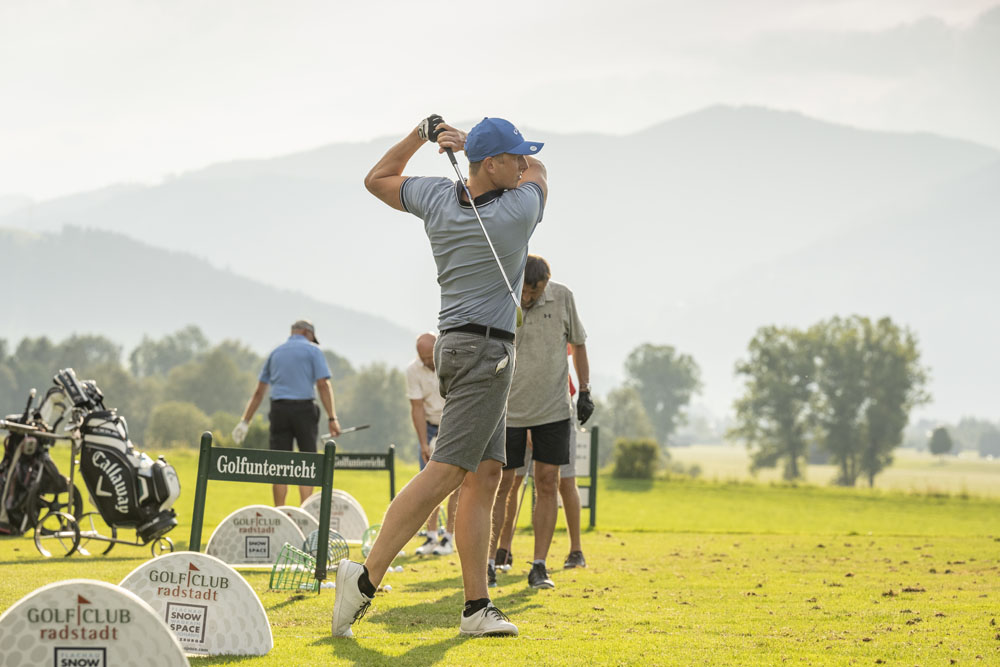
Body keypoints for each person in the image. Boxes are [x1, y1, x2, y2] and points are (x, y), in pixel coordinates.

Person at [331, 115, 546, 638]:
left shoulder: (436, 197)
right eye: (512, 155)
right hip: (486, 353)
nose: (522, 161)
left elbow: (378, 179)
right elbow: (540, 171)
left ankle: (477, 607)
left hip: (455, 347)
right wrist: (472, 143)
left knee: (485, 474)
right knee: (448, 470)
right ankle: (365, 576)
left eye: (520, 154)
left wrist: (424, 135)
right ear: (492, 164)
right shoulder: (518, 211)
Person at [488, 255, 593, 590]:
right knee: (502, 486)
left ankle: (538, 565)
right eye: (526, 293)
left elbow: (578, 344)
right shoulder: (502, 296)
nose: (529, 299)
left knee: (548, 483)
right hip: (510, 409)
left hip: (553, 410)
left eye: (536, 293)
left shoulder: (563, 297)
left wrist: (586, 390)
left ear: (546, 283)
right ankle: (488, 562)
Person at [232, 319, 341, 506]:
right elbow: (323, 385)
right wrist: (332, 418)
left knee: (279, 464)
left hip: (279, 410)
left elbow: (259, 392)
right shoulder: (313, 351)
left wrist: (245, 421)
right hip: (304, 410)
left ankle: (280, 512)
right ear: (309, 334)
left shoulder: (275, 353)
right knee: (308, 464)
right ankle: (305, 511)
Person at [405, 332, 459, 556]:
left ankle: (449, 537)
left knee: (456, 482)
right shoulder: (412, 370)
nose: (428, 362)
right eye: (423, 358)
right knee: (428, 483)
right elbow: (417, 408)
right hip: (429, 426)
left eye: (430, 357)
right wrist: (423, 443)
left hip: (453, 423)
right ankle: (431, 536)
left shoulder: (453, 362)